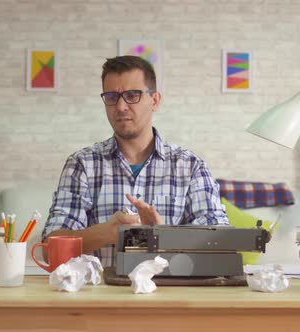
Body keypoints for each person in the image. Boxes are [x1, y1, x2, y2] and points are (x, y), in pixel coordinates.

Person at [42, 55, 229, 267]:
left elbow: (221, 242)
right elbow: (49, 250)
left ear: (155, 100)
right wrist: (105, 233)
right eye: (112, 97)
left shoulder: (190, 166)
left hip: (170, 295)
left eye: (132, 95)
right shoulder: (82, 164)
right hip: (98, 297)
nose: (121, 106)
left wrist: (164, 235)